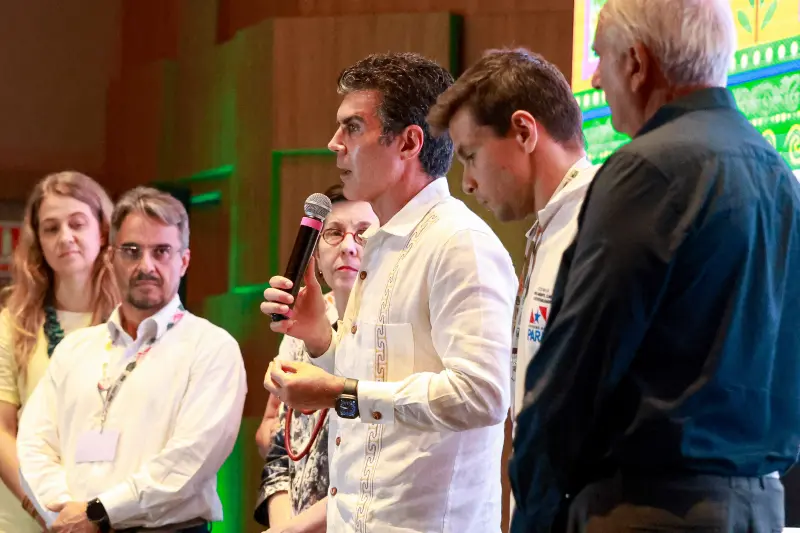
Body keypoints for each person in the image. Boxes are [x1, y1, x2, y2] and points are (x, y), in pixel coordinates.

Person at [509, 0, 800, 531]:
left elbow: (577, 367)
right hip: (760, 507)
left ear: (637, 64)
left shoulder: (646, 170)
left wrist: (532, 513)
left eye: (600, 58)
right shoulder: (780, 176)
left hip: (648, 508)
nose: (594, 80)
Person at [260, 52, 517, 533]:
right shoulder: (379, 243)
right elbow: (378, 377)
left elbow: (482, 395)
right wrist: (320, 340)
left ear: (409, 143)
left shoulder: (460, 243)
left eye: (353, 127)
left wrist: (341, 392)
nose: (334, 143)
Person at [426, 47, 599, 527]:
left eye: (470, 156)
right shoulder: (551, 226)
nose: (467, 183)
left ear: (523, 131)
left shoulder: (603, 222)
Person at [17, 186, 247, 533]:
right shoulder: (74, 349)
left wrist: (99, 513)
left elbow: (189, 461)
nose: (146, 266)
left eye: (161, 251)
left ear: (184, 261)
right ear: (111, 259)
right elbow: (34, 444)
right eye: (132, 251)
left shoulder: (211, 348)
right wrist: (63, 511)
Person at [254, 183, 378, 532]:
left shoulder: (389, 331)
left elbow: (378, 459)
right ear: (317, 258)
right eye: (334, 233)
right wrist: (282, 525)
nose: (349, 246)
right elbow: (279, 446)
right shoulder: (302, 322)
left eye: (364, 233)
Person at [0, 171, 119, 533]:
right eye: (51, 228)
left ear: (102, 231)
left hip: (110, 514)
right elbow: (1, 431)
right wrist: (47, 510)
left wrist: (100, 513)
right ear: (39, 241)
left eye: (77, 223)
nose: (65, 237)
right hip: (27, 516)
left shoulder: (133, 321)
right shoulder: (12, 324)